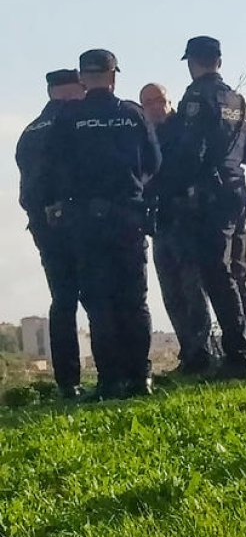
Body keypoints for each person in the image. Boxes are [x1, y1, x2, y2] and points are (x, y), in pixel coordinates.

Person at [43, 49, 160, 400]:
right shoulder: (132, 114)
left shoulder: (68, 118)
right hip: (129, 216)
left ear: (83, 78)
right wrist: (132, 187)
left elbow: (54, 168)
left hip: (86, 221)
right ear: (113, 76)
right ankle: (140, 378)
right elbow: (154, 161)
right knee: (135, 299)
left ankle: (109, 381)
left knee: (99, 302)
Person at [158, 36, 246, 379]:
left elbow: (190, 151)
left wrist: (171, 187)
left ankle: (238, 358)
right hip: (237, 193)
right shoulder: (237, 100)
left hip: (209, 196)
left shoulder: (196, 98)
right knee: (236, 274)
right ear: (218, 60)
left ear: (192, 62)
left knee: (218, 275)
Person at [15, 69, 87, 399]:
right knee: (98, 298)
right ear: (72, 89)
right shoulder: (73, 123)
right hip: (78, 219)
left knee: (62, 301)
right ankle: (113, 374)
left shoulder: (30, 131)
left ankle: (67, 380)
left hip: (43, 226)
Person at [140, 83, 215, 375]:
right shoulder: (147, 137)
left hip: (185, 220)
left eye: (158, 100)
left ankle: (201, 354)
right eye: (147, 102)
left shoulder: (182, 130)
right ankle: (189, 353)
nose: (153, 107)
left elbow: (181, 170)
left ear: (168, 101)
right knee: (171, 292)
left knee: (191, 288)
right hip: (160, 223)